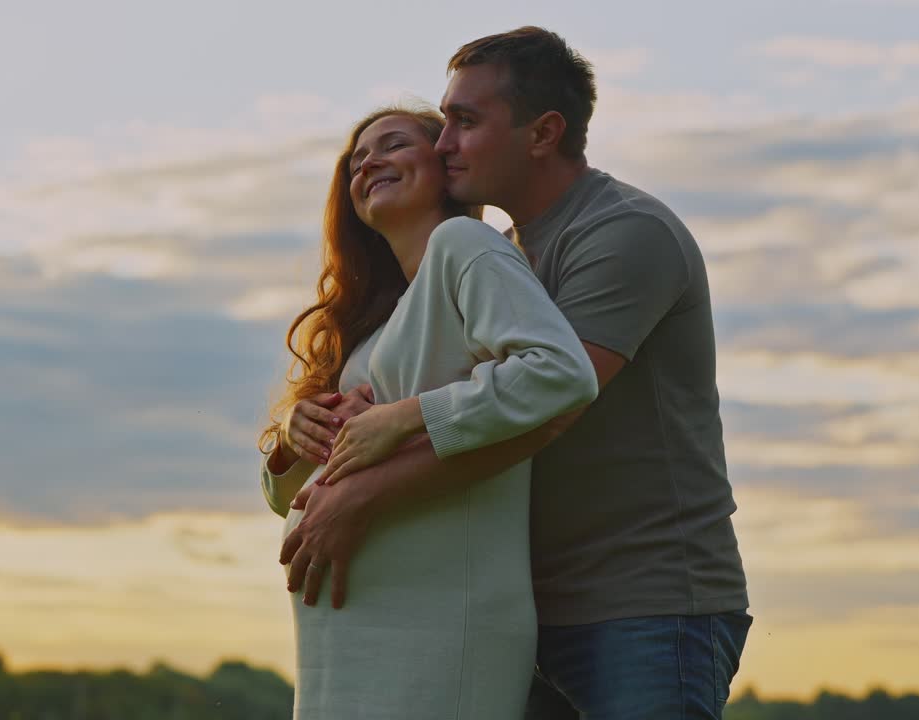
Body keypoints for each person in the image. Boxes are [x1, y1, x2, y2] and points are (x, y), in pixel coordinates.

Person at [281, 27, 752, 719]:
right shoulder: (500, 255)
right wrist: (304, 439)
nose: (443, 144)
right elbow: (464, 408)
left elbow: (552, 411)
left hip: (642, 604)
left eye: (464, 123)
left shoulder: (623, 233)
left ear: (542, 133)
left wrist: (362, 495)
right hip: (532, 604)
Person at [259, 105, 598, 719]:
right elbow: (289, 497)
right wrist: (294, 434)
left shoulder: (462, 245)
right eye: (357, 160)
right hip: (348, 635)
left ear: (443, 166)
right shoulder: (370, 324)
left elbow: (558, 372)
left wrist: (405, 416)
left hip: (442, 621)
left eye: (393, 145)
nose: (370, 163)